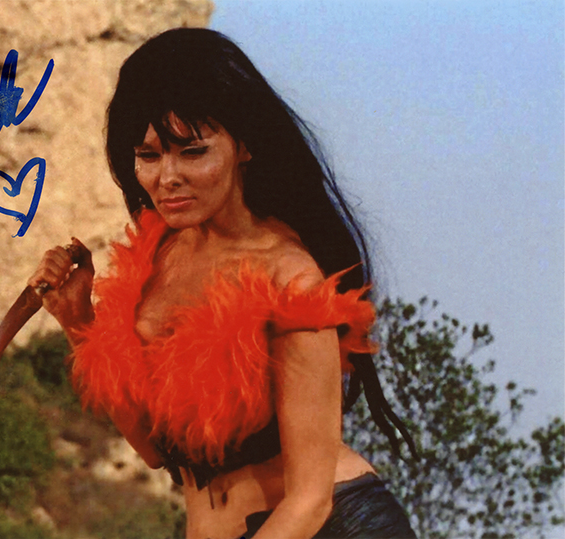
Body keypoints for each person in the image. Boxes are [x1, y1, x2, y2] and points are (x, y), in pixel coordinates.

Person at [28, 28, 418, 539]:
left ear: (245, 145)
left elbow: (310, 501)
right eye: (148, 155)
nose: (167, 177)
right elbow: (154, 450)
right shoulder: (157, 255)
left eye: (193, 152)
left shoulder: (290, 279)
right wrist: (79, 319)